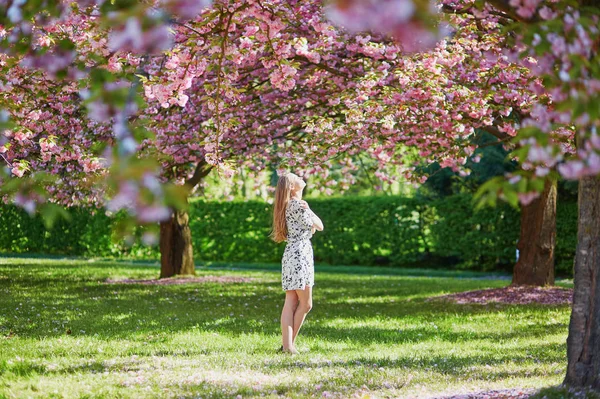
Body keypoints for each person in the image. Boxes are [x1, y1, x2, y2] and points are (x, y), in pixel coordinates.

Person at [270, 172, 324, 354]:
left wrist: (308, 210)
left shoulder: (290, 205)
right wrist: (308, 210)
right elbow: (319, 225)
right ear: (292, 187)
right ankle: (288, 346)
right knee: (305, 303)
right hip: (300, 254)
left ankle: (287, 346)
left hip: (293, 253)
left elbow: (316, 226)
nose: (301, 177)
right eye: (297, 178)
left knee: (292, 300)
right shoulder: (297, 205)